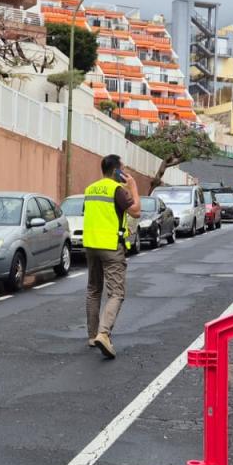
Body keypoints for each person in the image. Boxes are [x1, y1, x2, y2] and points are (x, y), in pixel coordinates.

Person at [82, 154, 141, 359]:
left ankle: (92, 336)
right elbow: (136, 212)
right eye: (122, 168)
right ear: (116, 171)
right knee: (116, 293)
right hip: (110, 246)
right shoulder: (116, 190)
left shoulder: (90, 189)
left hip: (90, 246)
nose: (125, 171)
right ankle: (104, 334)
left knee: (93, 289)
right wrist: (133, 186)